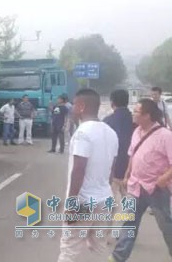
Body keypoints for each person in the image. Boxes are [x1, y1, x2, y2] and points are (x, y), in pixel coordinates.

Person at [57, 89, 118, 262]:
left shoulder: (83, 133)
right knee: (99, 246)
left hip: (84, 202)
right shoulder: (111, 133)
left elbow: (79, 170)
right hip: (104, 199)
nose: (72, 109)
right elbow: (111, 171)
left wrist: (71, 204)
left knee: (70, 248)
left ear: (82, 106)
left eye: (75, 105)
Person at [109, 99, 172, 262]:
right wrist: (127, 174)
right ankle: (118, 257)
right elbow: (133, 154)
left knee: (165, 224)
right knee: (129, 222)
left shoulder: (165, 136)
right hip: (135, 186)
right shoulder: (136, 132)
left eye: (137, 111)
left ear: (147, 115)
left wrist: (164, 178)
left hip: (156, 189)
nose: (133, 114)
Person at [102, 89, 134, 243]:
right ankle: (126, 234)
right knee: (129, 203)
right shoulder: (136, 121)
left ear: (112, 102)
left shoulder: (107, 121)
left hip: (113, 169)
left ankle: (108, 234)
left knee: (111, 203)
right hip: (132, 170)